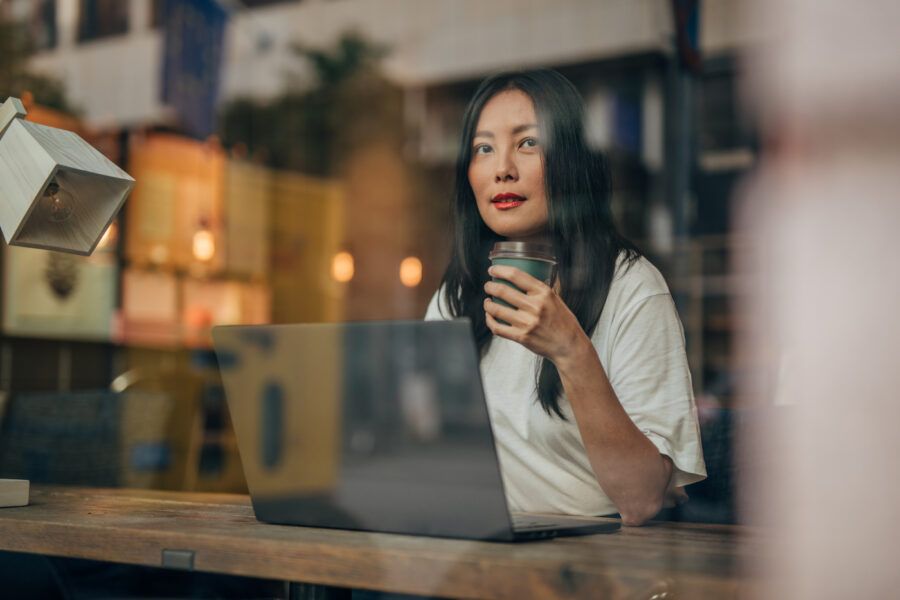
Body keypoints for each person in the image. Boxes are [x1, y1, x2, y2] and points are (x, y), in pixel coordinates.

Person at [425, 69, 706, 526]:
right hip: (476, 551)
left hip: (594, 559)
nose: (503, 169)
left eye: (528, 143)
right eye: (484, 148)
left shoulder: (632, 288)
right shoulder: (456, 295)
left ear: (571, 158)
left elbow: (641, 499)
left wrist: (570, 350)